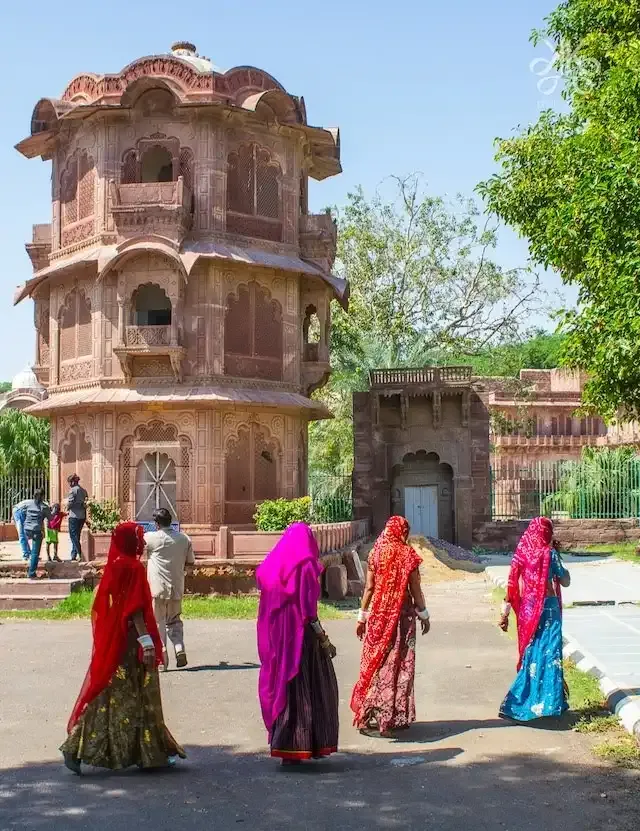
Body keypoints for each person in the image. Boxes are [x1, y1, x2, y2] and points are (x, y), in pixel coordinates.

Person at [60, 522, 185, 774]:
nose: (141, 542)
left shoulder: (114, 566)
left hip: (117, 640)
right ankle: (147, 752)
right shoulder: (133, 567)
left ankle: (77, 747)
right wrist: (146, 642)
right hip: (132, 642)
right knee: (139, 693)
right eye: (138, 538)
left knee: (108, 692)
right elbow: (135, 608)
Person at [256, 522, 339, 765]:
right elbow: (308, 612)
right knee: (309, 689)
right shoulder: (305, 567)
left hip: (277, 639)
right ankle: (304, 744)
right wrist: (324, 639)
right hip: (301, 640)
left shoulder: (272, 565)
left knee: (284, 686)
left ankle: (286, 746)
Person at [351, 516, 430, 737]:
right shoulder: (408, 556)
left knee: (377, 663)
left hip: (378, 617)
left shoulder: (375, 552)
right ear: (403, 532)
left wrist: (361, 618)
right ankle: (392, 715)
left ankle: (370, 712)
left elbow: (369, 588)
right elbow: (415, 588)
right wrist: (424, 614)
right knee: (400, 664)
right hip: (402, 618)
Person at [498, 516, 571, 722]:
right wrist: (560, 565)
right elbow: (565, 581)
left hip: (529, 611)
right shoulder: (550, 554)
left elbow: (511, 585)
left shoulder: (522, 554)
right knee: (550, 653)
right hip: (548, 609)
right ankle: (550, 703)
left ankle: (517, 703)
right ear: (547, 533)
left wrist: (504, 614)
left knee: (532, 653)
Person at [144, 508, 194, 670]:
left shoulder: (150, 538)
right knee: (174, 621)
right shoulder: (184, 539)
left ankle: (162, 657)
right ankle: (179, 647)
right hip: (176, 587)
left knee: (159, 622)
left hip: (157, 588)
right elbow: (190, 562)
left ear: (156, 524)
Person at [23, 489, 51, 579]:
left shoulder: (28, 504)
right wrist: (53, 511)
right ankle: (31, 573)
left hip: (27, 529)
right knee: (35, 553)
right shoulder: (44, 507)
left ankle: (28, 557)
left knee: (32, 551)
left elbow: (24, 512)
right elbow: (51, 518)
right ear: (43, 496)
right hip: (36, 530)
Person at [65, 474, 88, 561]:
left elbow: (70, 503)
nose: (69, 484)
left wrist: (67, 508)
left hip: (74, 516)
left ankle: (80, 553)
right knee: (77, 535)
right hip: (82, 516)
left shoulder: (73, 490)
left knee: (73, 536)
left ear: (73, 481)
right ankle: (73, 554)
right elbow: (86, 503)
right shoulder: (83, 490)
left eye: (70, 482)